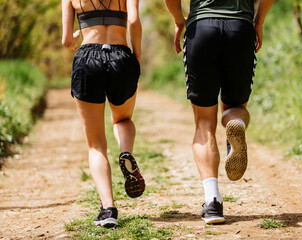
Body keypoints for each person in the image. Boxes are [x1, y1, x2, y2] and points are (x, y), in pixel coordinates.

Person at [164, 0, 274, 224]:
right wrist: (258, 21)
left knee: (204, 122)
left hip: (201, 28)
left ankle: (213, 201)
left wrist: (178, 20)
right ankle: (237, 125)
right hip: (240, 28)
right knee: (235, 107)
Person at [62, 0, 144, 228]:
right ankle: (126, 152)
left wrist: (78, 37)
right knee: (123, 119)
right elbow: (134, 20)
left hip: (87, 59)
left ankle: (108, 209)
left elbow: (67, 41)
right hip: (121, 56)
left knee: (96, 145)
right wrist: (136, 56)